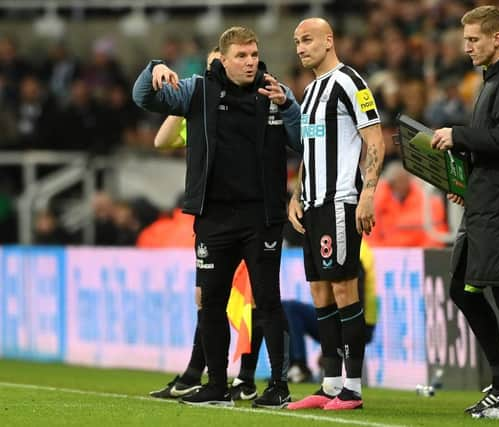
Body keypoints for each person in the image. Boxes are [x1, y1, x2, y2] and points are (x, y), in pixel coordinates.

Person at [132, 26, 302, 408]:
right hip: (214, 217)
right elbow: (142, 97)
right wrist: (154, 68)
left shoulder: (275, 92)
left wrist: (289, 107)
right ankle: (216, 385)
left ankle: (278, 385)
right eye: (241, 56)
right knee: (211, 303)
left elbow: (302, 140)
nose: (250, 62)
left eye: (254, 54)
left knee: (268, 301)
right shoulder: (198, 89)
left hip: (262, 217)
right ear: (222, 61)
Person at [430, 5, 499, 419]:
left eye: (474, 40)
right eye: (466, 40)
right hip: (487, 203)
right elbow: (497, 143)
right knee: (462, 290)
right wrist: (469, 181)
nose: (467, 48)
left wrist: (459, 135)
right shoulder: (496, 81)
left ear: (498, 38)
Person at [286, 17, 385, 411]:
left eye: (307, 39)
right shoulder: (309, 92)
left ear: (329, 40)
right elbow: (311, 150)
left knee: (345, 288)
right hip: (312, 205)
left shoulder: (350, 82)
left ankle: (354, 388)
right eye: (296, 41)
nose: (300, 47)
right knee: (319, 290)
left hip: (341, 199)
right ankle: (328, 384)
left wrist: (369, 191)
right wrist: (296, 194)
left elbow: (374, 137)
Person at [283, 239, 377, 383]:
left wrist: (333, 341)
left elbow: (353, 300)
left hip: (359, 324)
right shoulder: (358, 246)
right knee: (289, 309)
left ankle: (299, 365)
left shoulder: (354, 249)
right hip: (359, 320)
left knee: (291, 309)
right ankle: (296, 366)